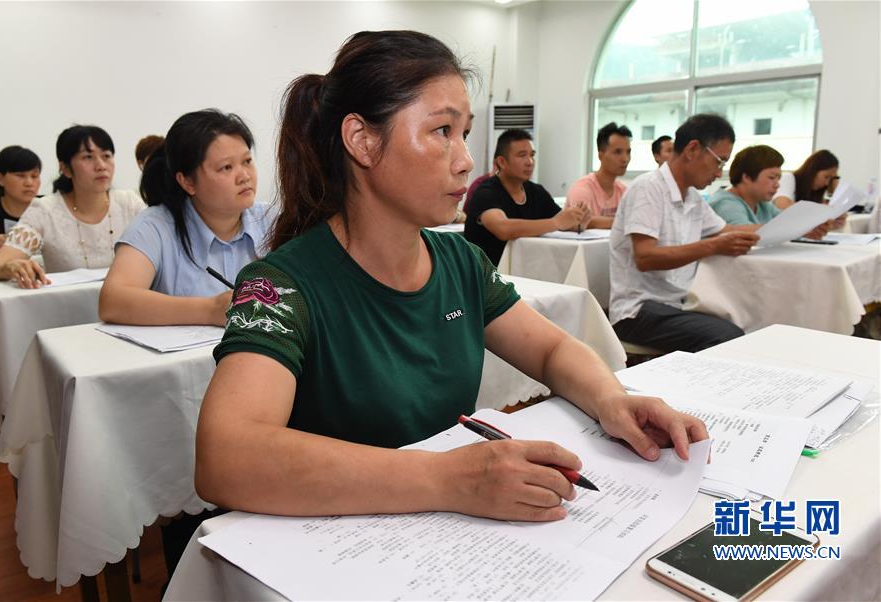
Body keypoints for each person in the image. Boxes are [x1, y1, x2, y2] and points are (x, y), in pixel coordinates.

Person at [195, 30, 707, 524]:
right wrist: (446, 479)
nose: (465, 161)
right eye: (443, 132)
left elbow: (551, 350)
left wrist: (612, 399)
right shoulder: (281, 285)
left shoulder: (459, 262)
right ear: (362, 141)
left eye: (464, 134)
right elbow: (226, 458)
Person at [99, 109, 272, 327]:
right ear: (188, 182)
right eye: (226, 167)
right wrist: (211, 310)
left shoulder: (272, 219)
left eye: (247, 161)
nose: (245, 176)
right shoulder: (155, 226)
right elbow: (113, 301)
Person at [609, 114, 760, 353]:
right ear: (692, 149)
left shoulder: (692, 197)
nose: (719, 172)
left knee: (748, 319)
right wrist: (713, 246)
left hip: (676, 302)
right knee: (728, 336)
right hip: (639, 309)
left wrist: (792, 228)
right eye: (719, 162)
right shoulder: (648, 188)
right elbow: (646, 258)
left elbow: (729, 230)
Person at [0, 125, 144, 287]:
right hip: (64, 309)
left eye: (107, 156)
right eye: (88, 157)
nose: (101, 165)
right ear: (65, 168)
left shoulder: (129, 204)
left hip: (124, 307)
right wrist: (10, 266)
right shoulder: (44, 210)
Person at [464, 129, 591, 265]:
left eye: (532, 155)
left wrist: (578, 221)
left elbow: (562, 221)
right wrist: (556, 223)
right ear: (502, 162)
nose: (530, 162)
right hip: (486, 275)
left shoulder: (536, 191)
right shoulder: (486, 191)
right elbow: (503, 228)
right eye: (522, 155)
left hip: (528, 269)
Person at [710, 145, 829, 239]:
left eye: (778, 178)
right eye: (772, 178)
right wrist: (800, 229)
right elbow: (744, 234)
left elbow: (786, 222)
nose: (777, 184)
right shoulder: (726, 204)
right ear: (746, 177)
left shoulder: (762, 204)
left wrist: (809, 229)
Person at [565, 122, 631, 229]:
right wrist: (621, 222)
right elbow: (579, 219)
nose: (625, 159)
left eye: (628, 152)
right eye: (618, 152)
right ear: (601, 155)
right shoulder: (582, 188)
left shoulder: (623, 191)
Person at [0, 145, 42, 244]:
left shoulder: (50, 208)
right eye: (21, 176)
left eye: (34, 176)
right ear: (0, 179)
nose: (29, 183)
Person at [772, 149, 839, 209]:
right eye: (826, 177)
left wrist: (834, 189)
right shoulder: (788, 178)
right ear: (813, 170)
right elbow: (782, 206)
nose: (827, 183)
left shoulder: (816, 194)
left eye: (831, 179)